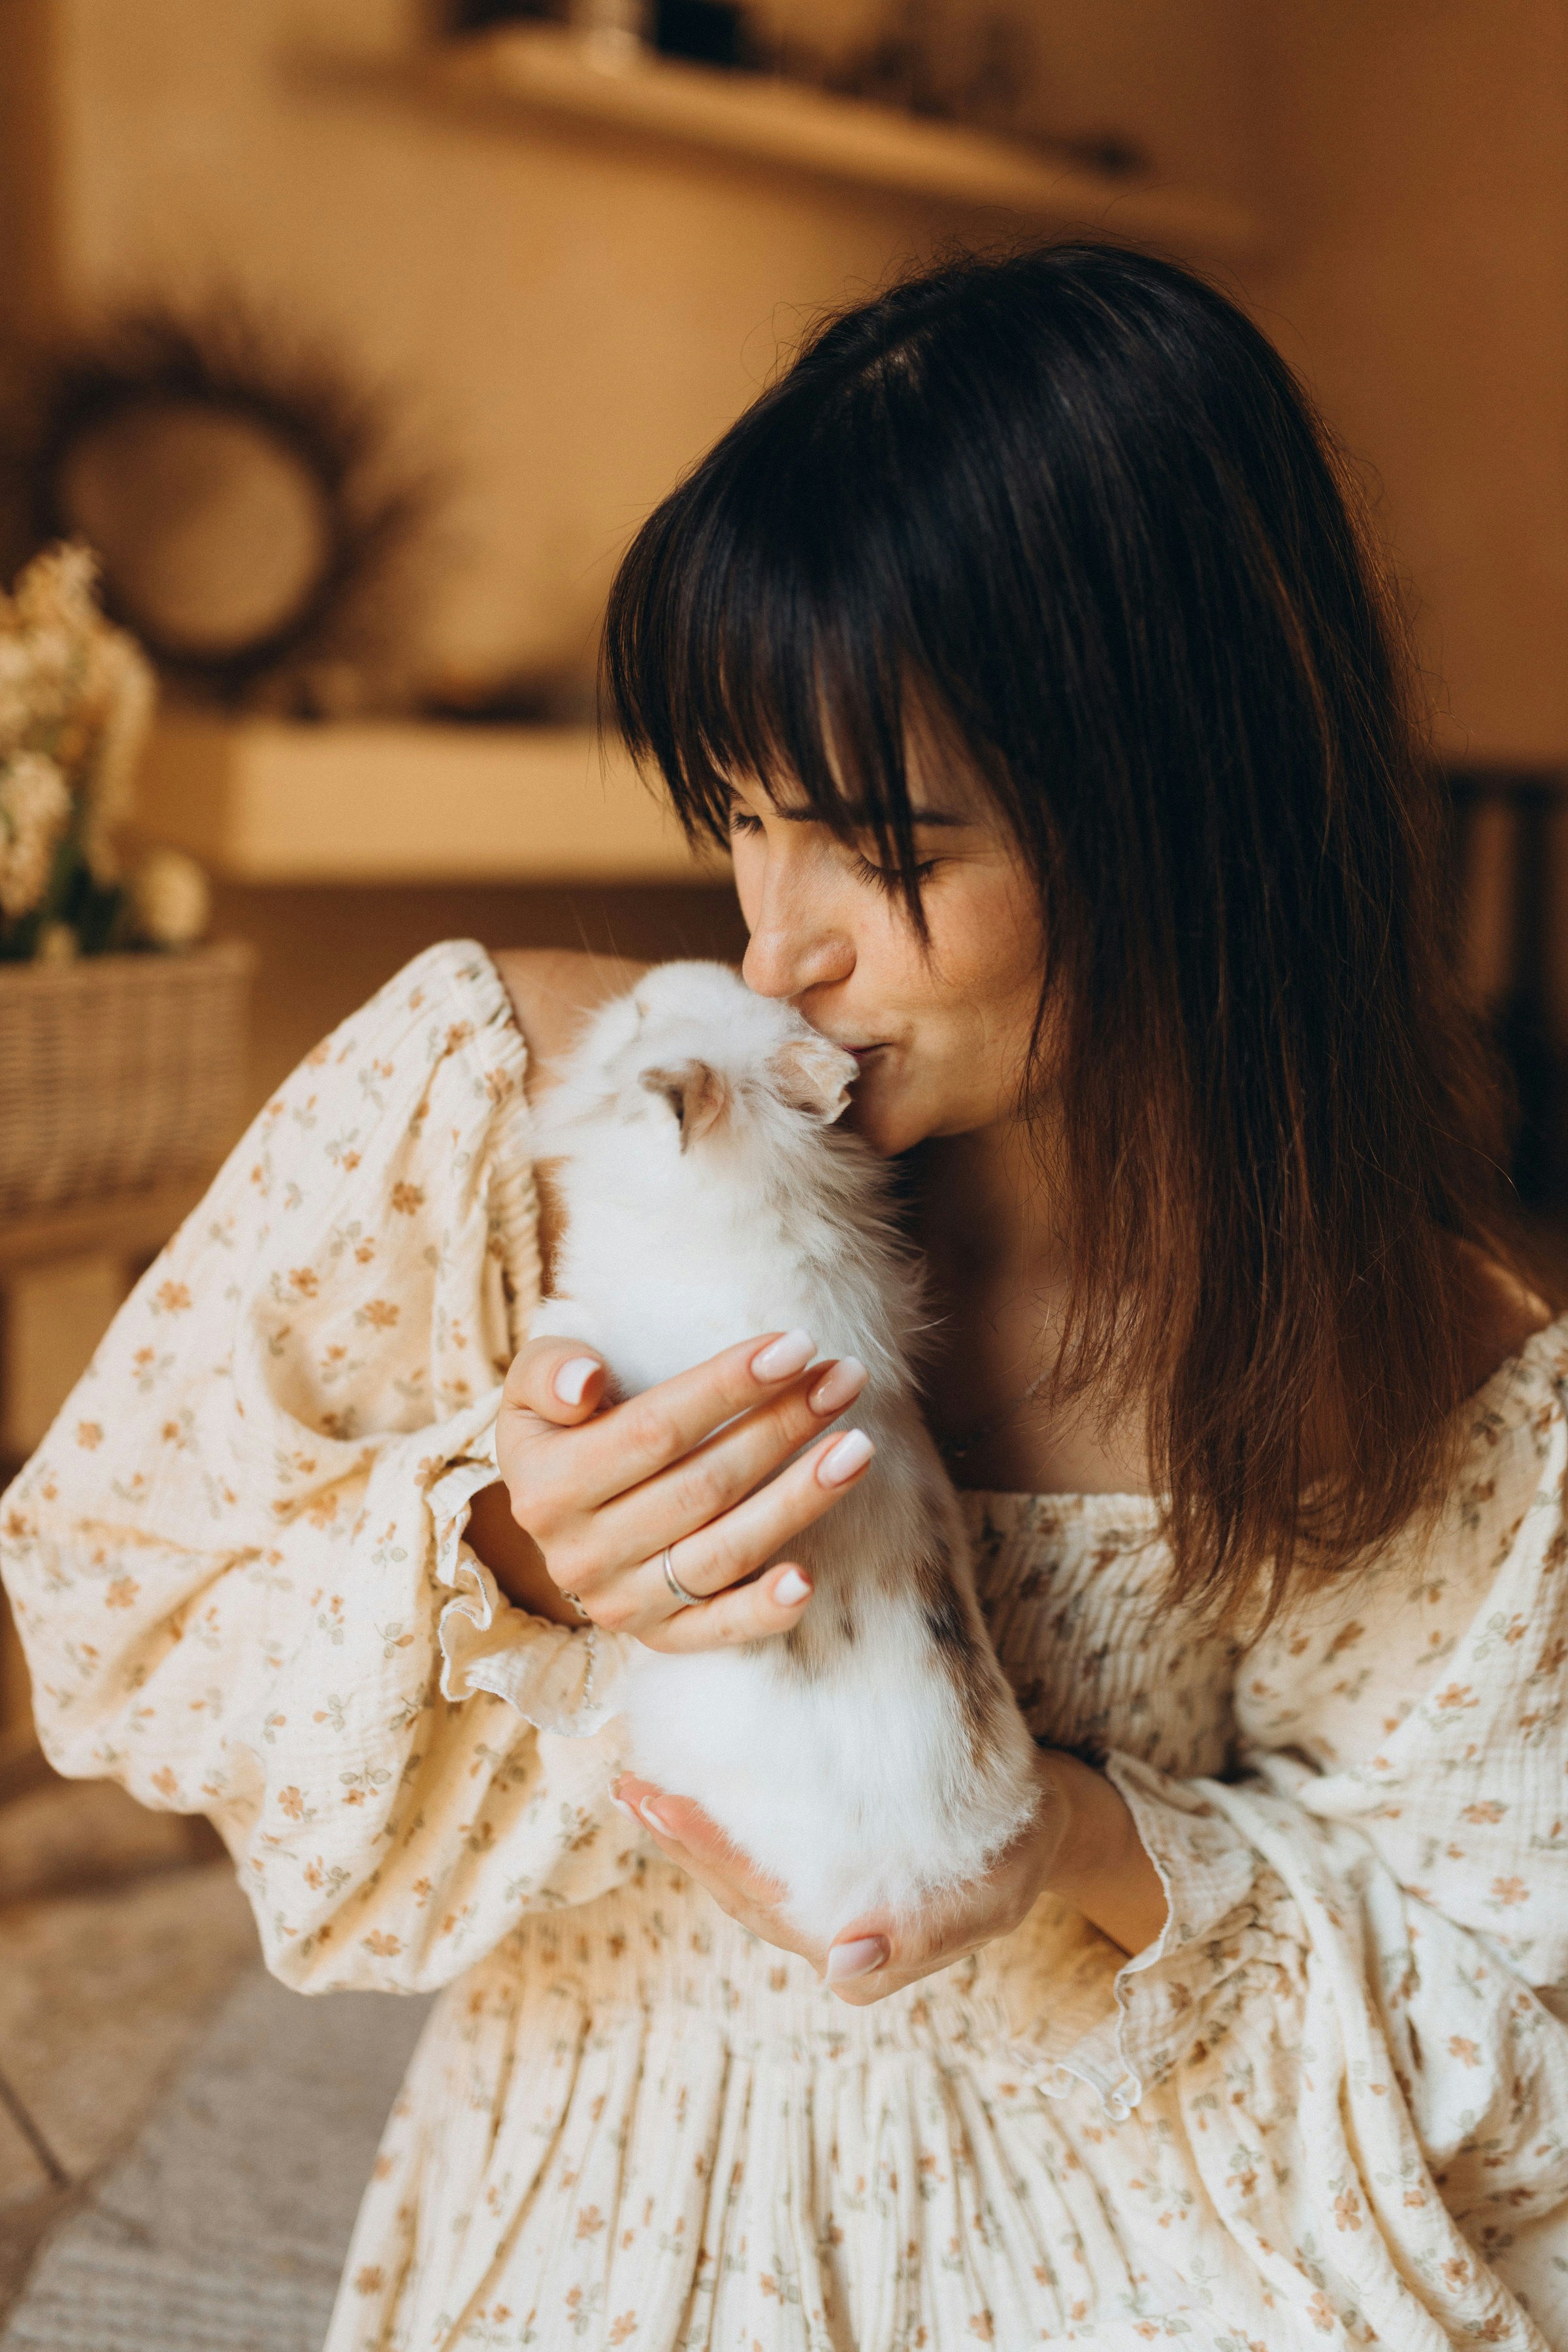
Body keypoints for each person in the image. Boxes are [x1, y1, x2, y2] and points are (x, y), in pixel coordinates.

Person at [4, 245, 1567, 2352]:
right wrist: (506, 1558)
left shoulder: (1422, 1372)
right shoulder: (525, 1110)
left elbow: (1518, 2056)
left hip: (1128, 2228)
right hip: (625, 2212)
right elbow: (109, 1594)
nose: (778, 949)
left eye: (884, 846)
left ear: (1185, 814)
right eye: (742, 817)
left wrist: (1071, 1850)